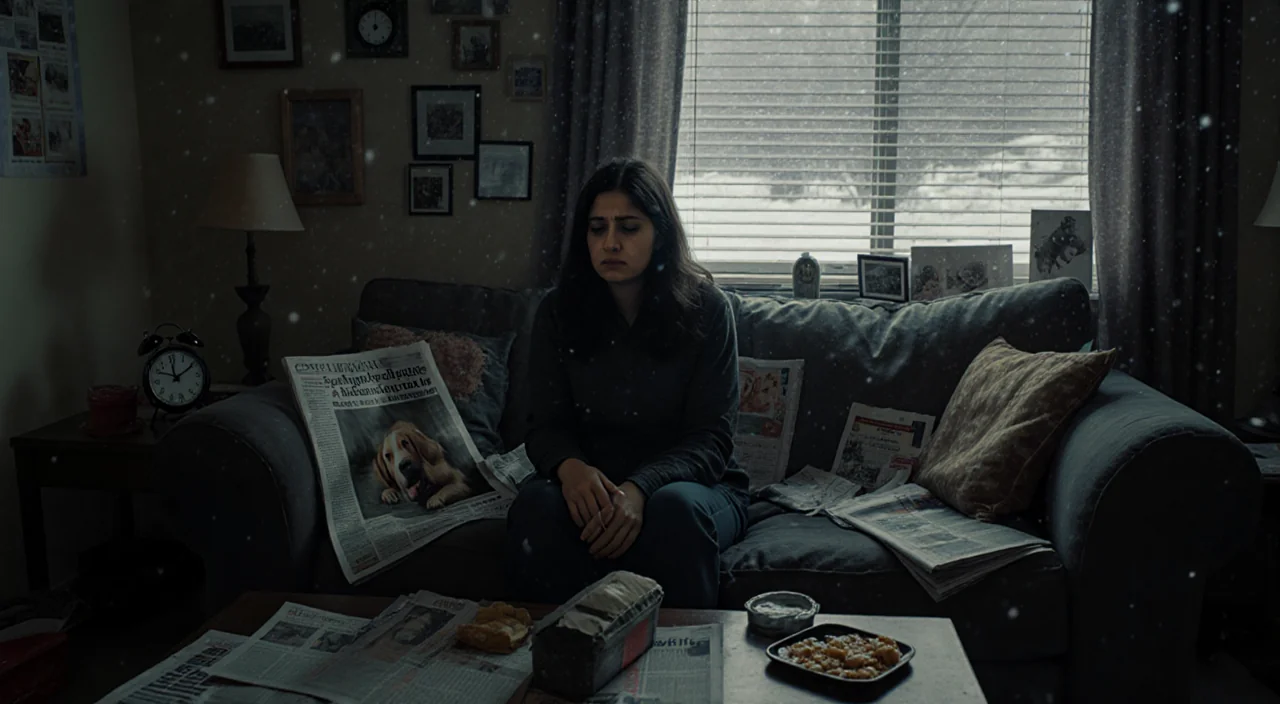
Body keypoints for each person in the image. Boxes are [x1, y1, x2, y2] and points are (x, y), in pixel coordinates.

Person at [504, 157, 751, 609]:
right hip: (591, 484)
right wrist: (571, 470)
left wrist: (640, 488)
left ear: (660, 234)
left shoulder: (708, 309)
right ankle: (564, 655)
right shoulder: (558, 312)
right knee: (536, 506)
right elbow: (544, 426)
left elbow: (711, 439)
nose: (610, 243)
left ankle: (683, 664)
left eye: (629, 228)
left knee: (673, 510)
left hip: (694, 489)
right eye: (598, 228)